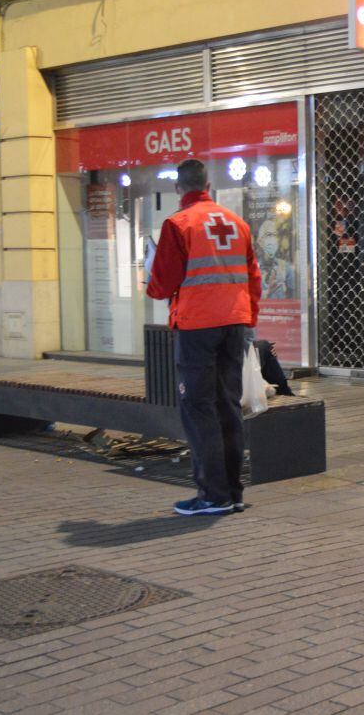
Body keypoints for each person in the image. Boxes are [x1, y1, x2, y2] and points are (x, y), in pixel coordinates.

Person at [147, 159, 261, 516]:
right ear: (208, 185)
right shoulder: (237, 223)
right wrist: (248, 317)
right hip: (234, 324)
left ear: (179, 189)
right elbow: (254, 278)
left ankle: (213, 495)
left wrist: (150, 282)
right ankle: (233, 491)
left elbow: (162, 283)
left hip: (198, 326)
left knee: (198, 408)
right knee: (228, 405)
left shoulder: (178, 224)